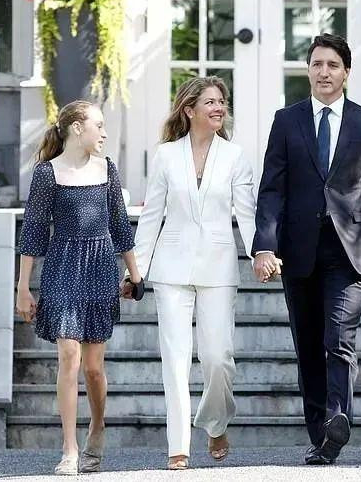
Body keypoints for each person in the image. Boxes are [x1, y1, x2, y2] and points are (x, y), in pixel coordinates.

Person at [252, 33, 361, 465]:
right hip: (299, 251)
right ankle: (322, 436)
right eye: (317, 64)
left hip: (349, 251)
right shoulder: (286, 120)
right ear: (308, 70)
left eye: (332, 65)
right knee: (309, 347)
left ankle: (337, 416)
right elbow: (271, 189)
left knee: (339, 339)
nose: (324, 72)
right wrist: (264, 245)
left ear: (346, 72)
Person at [127, 76, 256, 470]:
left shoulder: (235, 156)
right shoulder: (166, 156)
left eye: (222, 102)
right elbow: (151, 217)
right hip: (171, 268)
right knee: (176, 358)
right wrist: (136, 272)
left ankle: (216, 422)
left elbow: (247, 214)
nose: (219, 108)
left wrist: (260, 253)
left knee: (218, 358)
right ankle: (178, 446)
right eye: (211, 102)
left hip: (218, 268)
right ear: (189, 110)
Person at [16, 100, 141, 475]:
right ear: (76, 128)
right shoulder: (47, 173)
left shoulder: (107, 169)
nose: (104, 133)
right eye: (98, 125)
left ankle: (97, 426)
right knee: (68, 355)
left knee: (93, 369)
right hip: (62, 266)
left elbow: (120, 226)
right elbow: (34, 230)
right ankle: (69, 449)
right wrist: (23, 287)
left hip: (100, 267)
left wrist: (135, 275)